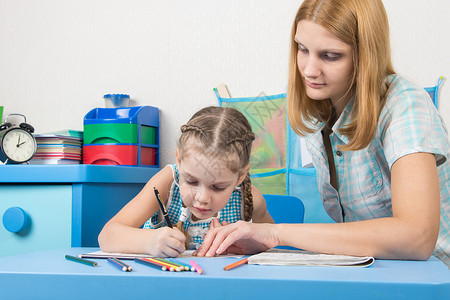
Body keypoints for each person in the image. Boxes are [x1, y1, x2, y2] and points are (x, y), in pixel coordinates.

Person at [195, 0, 450, 268]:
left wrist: (275, 233)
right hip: (378, 274)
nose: (309, 70)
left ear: (366, 56)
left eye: (330, 56)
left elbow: (417, 237)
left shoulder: (405, 105)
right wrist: (265, 240)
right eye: (303, 49)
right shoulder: (321, 113)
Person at [98, 106, 274, 257]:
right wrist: (148, 242)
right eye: (191, 181)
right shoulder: (167, 182)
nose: (202, 198)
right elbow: (107, 236)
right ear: (179, 161)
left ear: (241, 175)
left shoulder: (248, 198)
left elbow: (271, 240)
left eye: (218, 187)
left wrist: (250, 244)